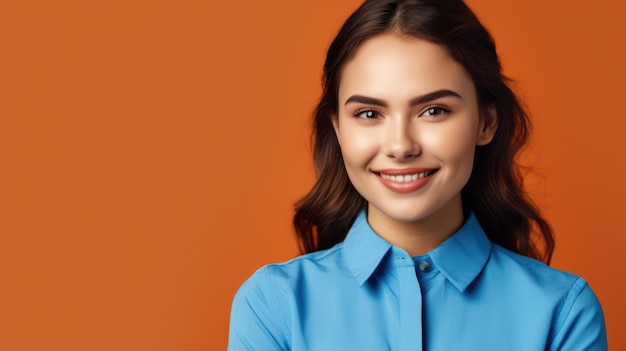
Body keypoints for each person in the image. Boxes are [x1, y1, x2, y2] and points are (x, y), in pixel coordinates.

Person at [228, 0, 608, 350]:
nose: (400, 146)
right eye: (368, 114)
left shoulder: (562, 313)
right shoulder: (274, 306)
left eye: (433, 110)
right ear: (339, 130)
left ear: (485, 122)